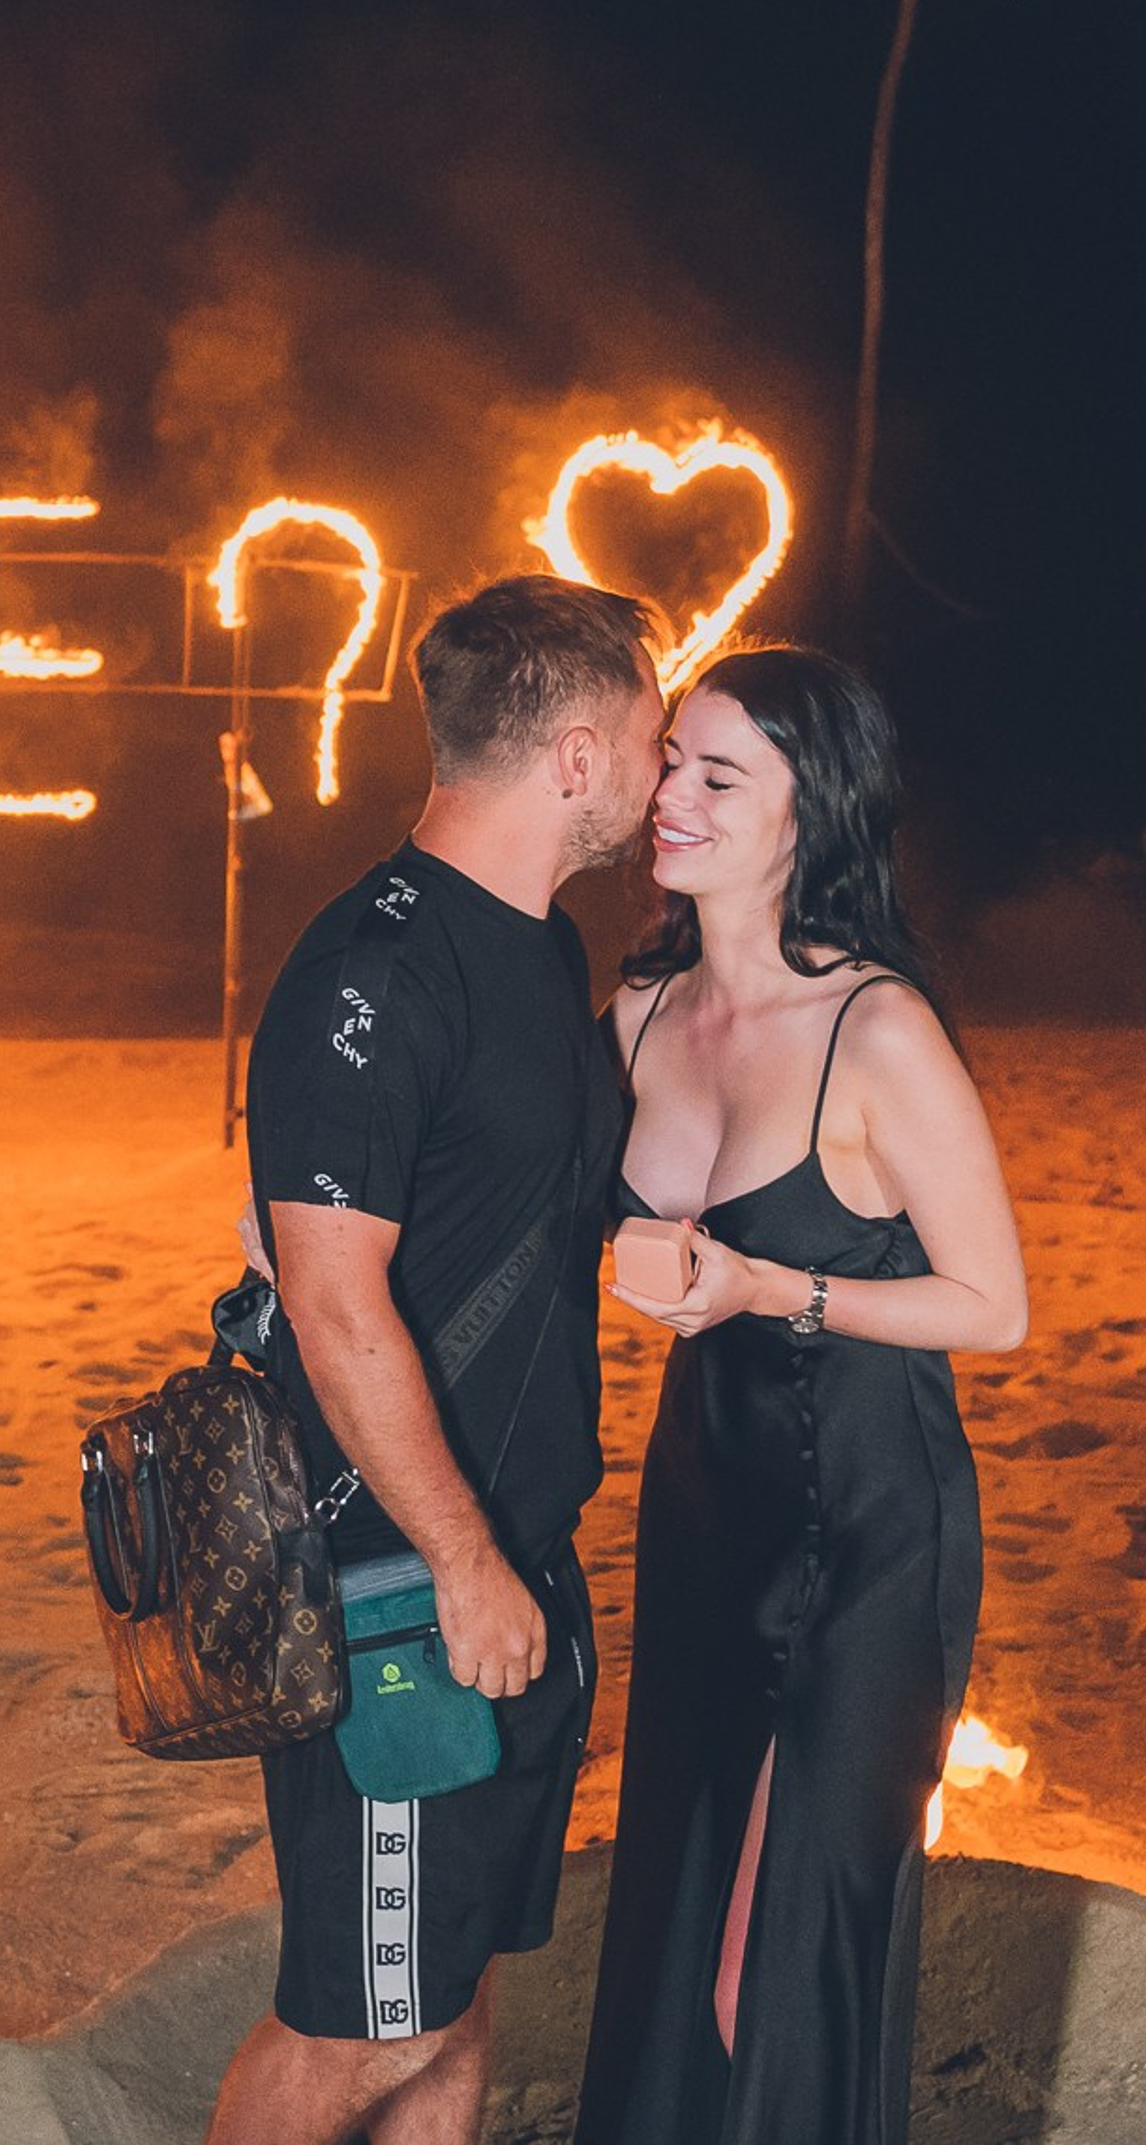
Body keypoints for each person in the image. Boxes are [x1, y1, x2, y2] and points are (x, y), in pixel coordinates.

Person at [208, 572, 665, 2145]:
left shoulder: (536, 953)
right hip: (396, 1583)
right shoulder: (371, 974)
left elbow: (514, 1204)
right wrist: (462, 1560)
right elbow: (337, 1310)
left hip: (510, 1560)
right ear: (581, 758)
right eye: (656, 741)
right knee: (358, 2028)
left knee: (454, 2001)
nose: (666, 773)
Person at [576, 647, 1026, 2145]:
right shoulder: (640, 1014)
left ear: (805, 815)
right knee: (678, 1918)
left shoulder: (875, 1030)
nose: (673, 799)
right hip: (706, 1512)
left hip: (871, 1537)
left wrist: (773, 1290)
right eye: (672, 764)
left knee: (772, 1972)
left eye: (720, 777)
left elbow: (997, 1308)